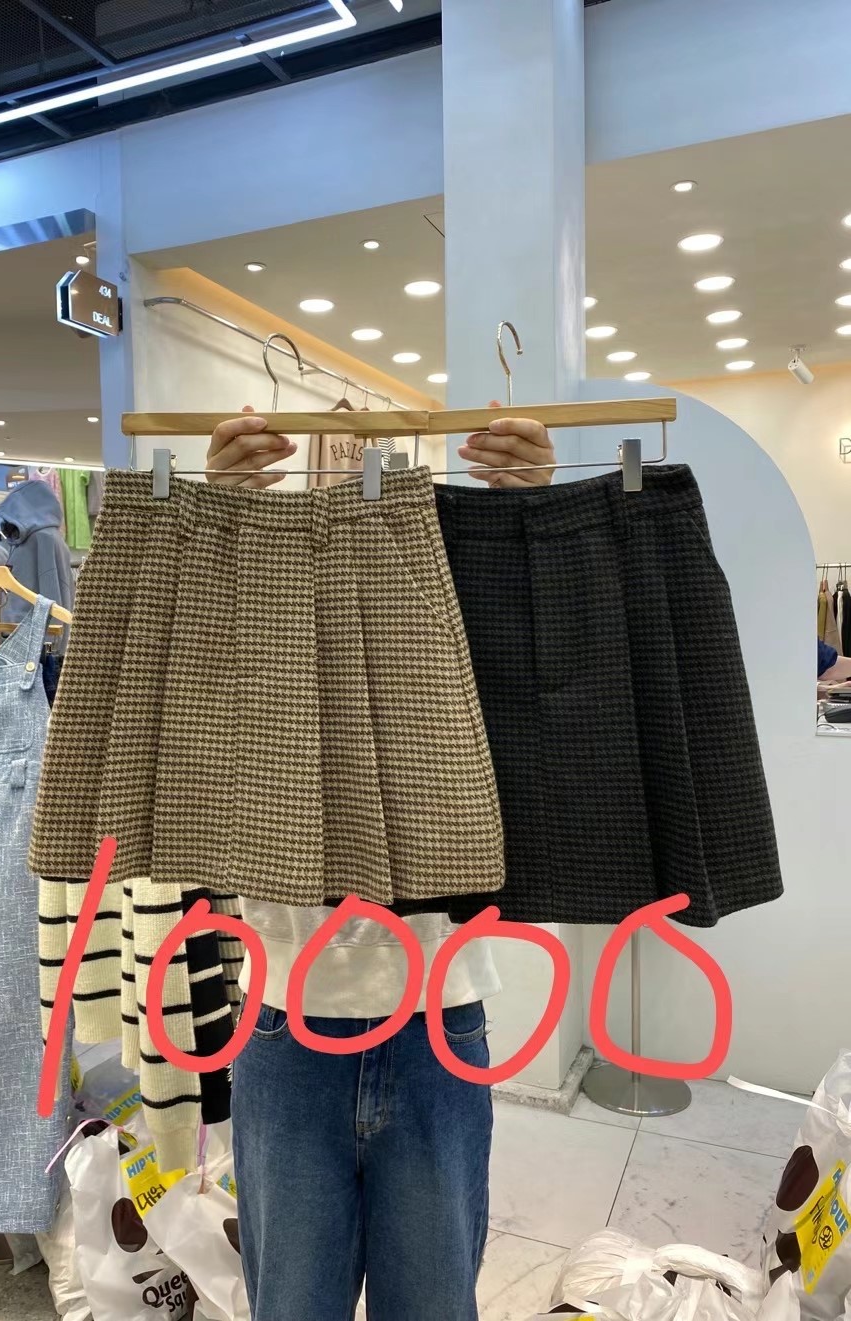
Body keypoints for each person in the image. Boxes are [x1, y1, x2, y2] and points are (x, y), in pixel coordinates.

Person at [205, 406, 556, 1321]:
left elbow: (531, 702)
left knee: (433, 1303)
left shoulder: (437, 585)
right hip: (287, 1020)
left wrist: (526, 519)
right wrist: (218, 524)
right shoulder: (262, 592)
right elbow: (193, 725)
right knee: (291, 1305)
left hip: (438, 1015)